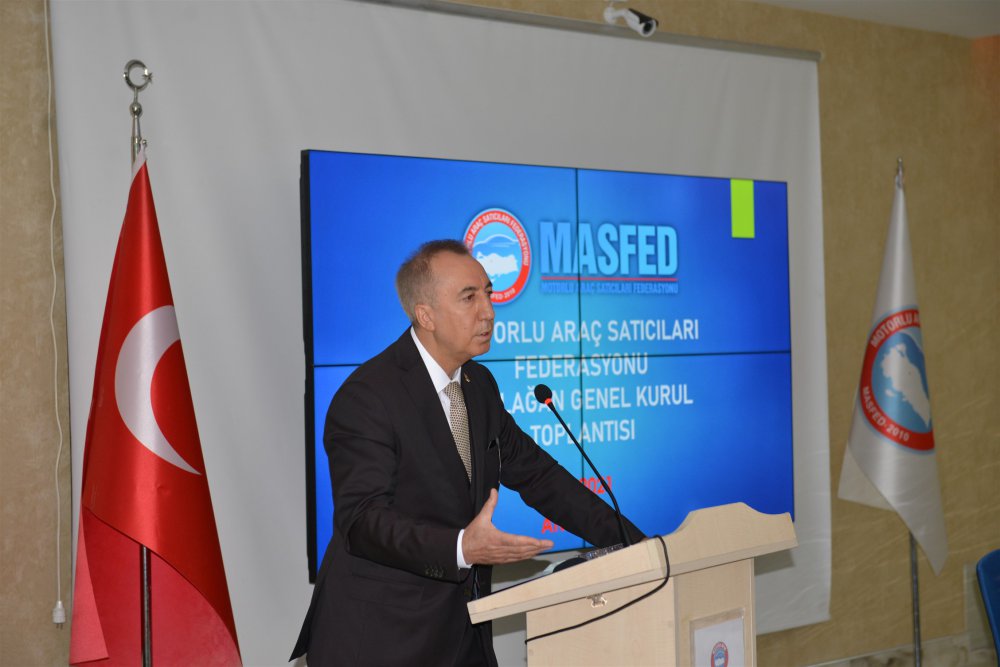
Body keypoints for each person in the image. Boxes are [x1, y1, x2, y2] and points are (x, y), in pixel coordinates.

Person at [291, 239, 643, 665]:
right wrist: (461, 548)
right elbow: (363, 522)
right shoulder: (368, 397)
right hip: (383, 638)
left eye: (488, 294)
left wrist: (636, 543)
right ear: (426, 315)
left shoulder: (479, 386)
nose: (488, 311)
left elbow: (539, 477)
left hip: (463, 634)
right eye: (469, 297)